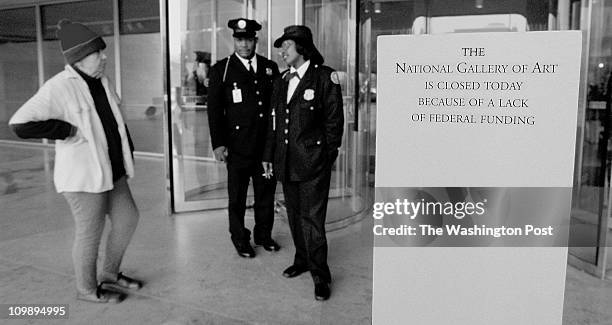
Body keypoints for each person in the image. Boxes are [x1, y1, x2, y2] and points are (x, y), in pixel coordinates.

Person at [8, 19, 142, 303]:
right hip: (83, 178)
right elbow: (19, 123)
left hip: (113, 171)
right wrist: (65, 130)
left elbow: (116, 122)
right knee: (90, 233)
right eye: (97, 53)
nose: (104, 57)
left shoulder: (102, 82)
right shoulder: (59, 87)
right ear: (79, 58)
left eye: (102, 52)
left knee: (127, 218)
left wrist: (127, 150)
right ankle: (86, 290)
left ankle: (110, 273)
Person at [262, 25, 344, 301]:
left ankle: (320, 274)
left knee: (312, 220)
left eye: (286, 45)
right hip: (286, 162)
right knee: (295, 217)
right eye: (281, 47)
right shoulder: (282, 80)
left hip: (313, 164)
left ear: (302, 47)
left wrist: (325, 157)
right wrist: (268, 157)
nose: (282, 51)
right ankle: (302, 260)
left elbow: (334, 123)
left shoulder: (323, 78)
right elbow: (274, 124)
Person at [207, 18, 280, 258]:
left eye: (249, 40)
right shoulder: (222, 69)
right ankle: (240, 238)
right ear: (234, 40)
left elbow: (275, 108)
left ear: (255, 40)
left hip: (264, 146)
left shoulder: (270, 68)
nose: (244, 45)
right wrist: (218, 143)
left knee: (265, 194)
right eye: (240, 40)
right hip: (237, 147)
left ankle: (264, 235)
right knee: (237, 197)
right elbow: (215, 110)